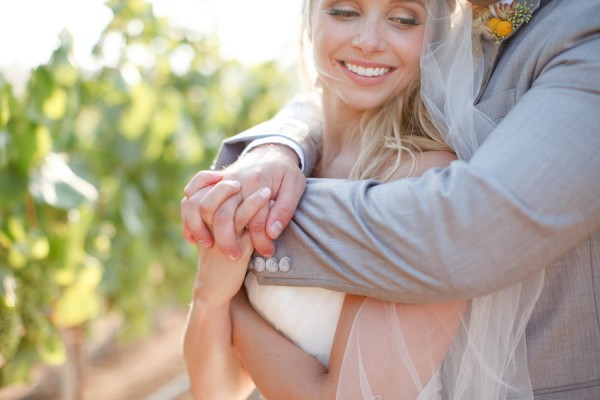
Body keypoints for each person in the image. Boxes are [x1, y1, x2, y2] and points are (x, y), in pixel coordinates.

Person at [182, 0, 545, 398]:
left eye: (403, 19)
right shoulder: (277, 168)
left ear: (437, 36)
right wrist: (207, 301)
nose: (368, 41)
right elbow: (215, 390)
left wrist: (224, 300)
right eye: (344, 12)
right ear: (309, 17)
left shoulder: (424, 183)